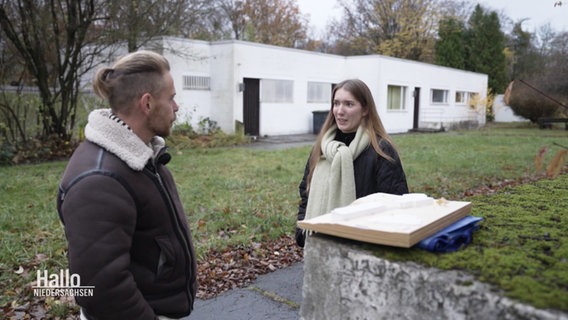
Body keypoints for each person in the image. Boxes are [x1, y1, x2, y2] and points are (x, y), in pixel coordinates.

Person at [56, 50, 197, 319]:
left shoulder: (142, 156)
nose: (176, 107)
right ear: (147, 103)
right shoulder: (98, 182)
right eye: (172, 98)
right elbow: (100, 289)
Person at [295, 79, 409, 247]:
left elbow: (395, 205)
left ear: (365, 109)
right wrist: (302, 232)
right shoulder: (322, 148)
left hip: (364, 249)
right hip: (319, 245)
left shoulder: (381, 150)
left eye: (349, 104)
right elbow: (306, 192)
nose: (339, 111)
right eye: (336, 103)